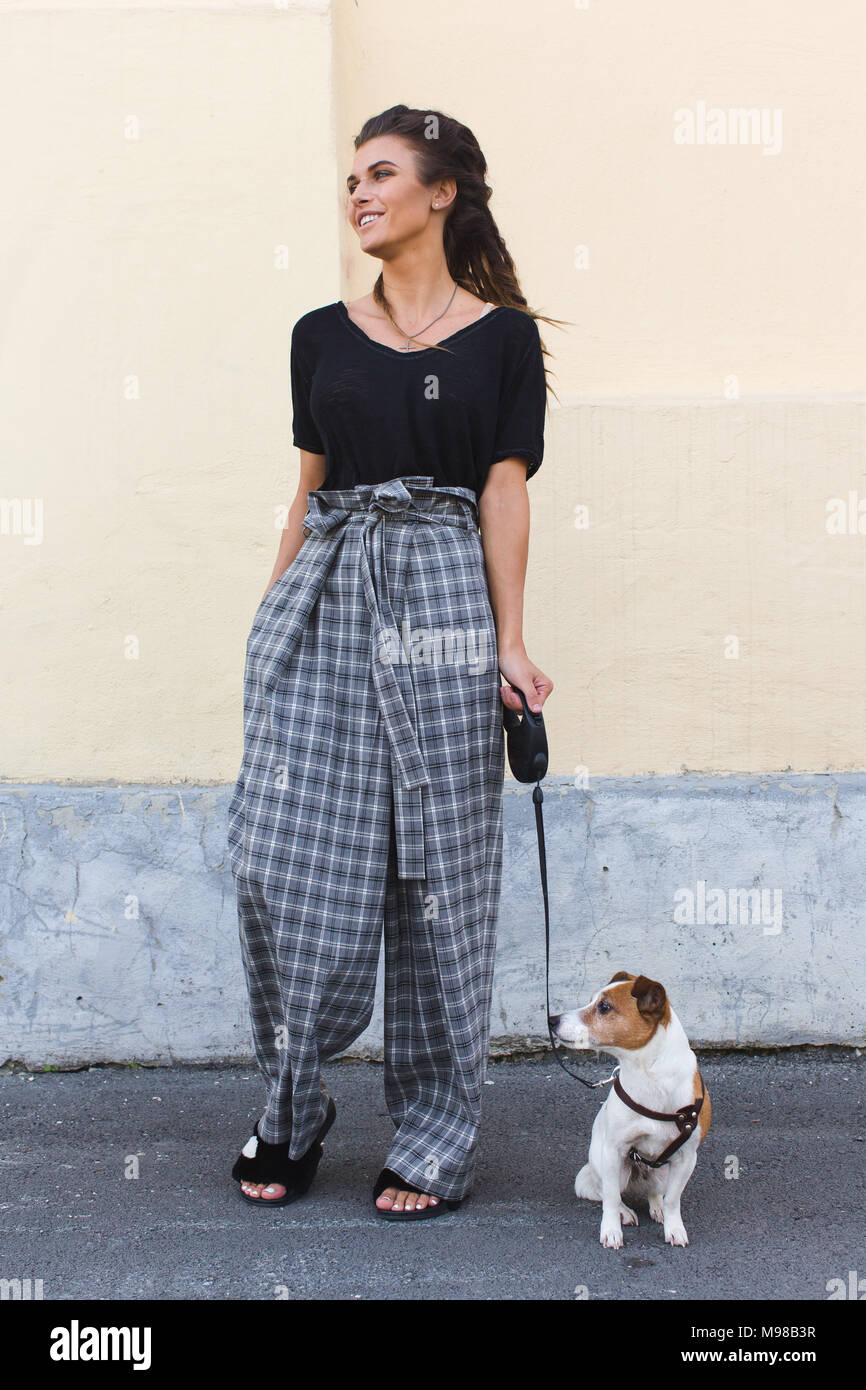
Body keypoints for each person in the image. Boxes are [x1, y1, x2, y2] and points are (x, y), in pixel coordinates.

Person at [228, 104, 557, 1220]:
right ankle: (291, 1104)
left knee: (439, 884)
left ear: (440, 193)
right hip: (323, 598)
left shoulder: (502, 341)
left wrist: (509, 642)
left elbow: (502, 491)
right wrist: (270, 622)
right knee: (283, 867)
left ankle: (430, 1134)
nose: (358, 193)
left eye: (380, 174)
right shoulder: (317, 334)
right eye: (350, 180)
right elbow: (308, 490)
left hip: (443, 600)